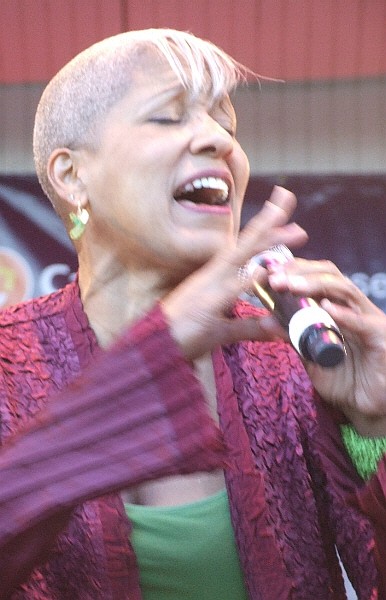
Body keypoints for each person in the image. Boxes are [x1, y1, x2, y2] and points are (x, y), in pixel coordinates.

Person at [0, 28, 385, 600]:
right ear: (70, 175)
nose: (217, 141)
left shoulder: (290, 358)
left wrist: (376, 427)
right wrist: (157, 354)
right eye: (168, 117)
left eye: (227, 126)